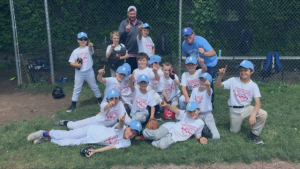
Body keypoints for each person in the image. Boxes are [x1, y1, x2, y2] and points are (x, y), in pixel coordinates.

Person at [27, 115, 142, 158]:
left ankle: (48, 138)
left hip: (90, 139)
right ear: (127, 127)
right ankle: (43, 132)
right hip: (90, 130)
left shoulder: (127, 143)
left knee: (67, 143)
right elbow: (119, 125)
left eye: (134, 134)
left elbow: (110, 147)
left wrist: (96, 151)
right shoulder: (121, 128)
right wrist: (121, 121)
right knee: (66, 135)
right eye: (131, 130)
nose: (131, 134)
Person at [215, 60, 268, 145]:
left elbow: (258, 103)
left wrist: (253, 114)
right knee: (234, 131)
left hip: (247, 108)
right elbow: (217, 85)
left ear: (252, 71)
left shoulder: (254, 85)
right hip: (235, 110)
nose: (243, 72)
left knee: (263, 114)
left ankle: (254, 134)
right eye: (241, 70)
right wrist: (221, 75)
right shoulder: (233, 80)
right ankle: (238, 122)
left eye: (246, 70)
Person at [143, 101, 207, 150]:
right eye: (190, 111)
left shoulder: (200, 123)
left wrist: (200, 138)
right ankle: (144, 133)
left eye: (194, 111)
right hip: (170, 127)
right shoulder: (185, 114)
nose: (192, 113)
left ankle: (151, 138)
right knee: (156, 134)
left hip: (175, 137)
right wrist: (166, 105)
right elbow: (175, 109)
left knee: (162, 146)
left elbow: (197, 134)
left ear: (199, 110)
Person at [54, 89, 132, 129]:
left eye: (116, 98)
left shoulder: (120, 104)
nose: (114, 101)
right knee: (72, 127)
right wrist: (110, 105)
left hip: (104, 128)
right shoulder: (104, 104)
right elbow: (106, 107)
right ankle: (66, 122)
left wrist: (133, 125)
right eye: (111, 98)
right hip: (95, 121)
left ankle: (76, 122)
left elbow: (125, 117)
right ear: (107, 99)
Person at [67, 32, 102, 113]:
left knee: (94, 86)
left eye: (85, 39)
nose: (83, 41)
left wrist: (90, 46)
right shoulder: (75, 51)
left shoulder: (88, 48)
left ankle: (100, 99)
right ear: (78, 40)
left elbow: (91, 50)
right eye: (81, 39)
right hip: (79, 73)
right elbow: (71, 62)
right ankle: (73, 104)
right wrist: (76, 65)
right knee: (77, 88)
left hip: (89, 71)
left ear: (87, 40)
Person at [181, 27, 217, 105]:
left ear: (193, 34)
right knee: (197, 80)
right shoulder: (184, 45)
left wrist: (204, 54)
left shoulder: (201, 41)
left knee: (207, 80)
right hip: (198, 63)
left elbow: (213, 52)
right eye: (185, 36)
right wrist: (190, 65)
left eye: (189, 35)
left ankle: (210, 102)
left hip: (210, 63)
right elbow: (187, 56)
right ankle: (197, 99)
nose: (187, 38)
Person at [189, 73, 220, 140]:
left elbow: (209, 92)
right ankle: (202, 128)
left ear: (209, 83)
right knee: (188, 133)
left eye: (205, 81)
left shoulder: (209, 90)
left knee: (216, 136)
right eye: (201, 80)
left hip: (207, 115)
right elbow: (191, 104)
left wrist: (208, 86)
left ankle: (203, 128)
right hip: (196, 114)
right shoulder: (194, 90)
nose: (203, 82)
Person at [132, 53, 162, 120]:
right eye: (140, 60)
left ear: (147, 61)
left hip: (148, 89)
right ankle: (142, 112)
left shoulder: (149, 70)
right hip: (138, 91)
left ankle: (156, 112)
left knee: (156, 97)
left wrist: (155, 72)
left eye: (144, 60)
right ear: (137, 61)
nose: (142, 62)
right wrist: (132, 96)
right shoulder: (135, 71)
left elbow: (157, 78)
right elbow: (133, 84)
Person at [118, 6, 142, 73]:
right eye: (131, 14)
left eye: (134, 14)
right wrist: (126, 31)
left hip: (139, 53)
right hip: (127, 54)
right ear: (127, 13)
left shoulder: (140, 23)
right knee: (127, 73)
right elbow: (119, 37)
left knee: (137, 73)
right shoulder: (123, 23)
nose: (132, 15)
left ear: (136, 13)